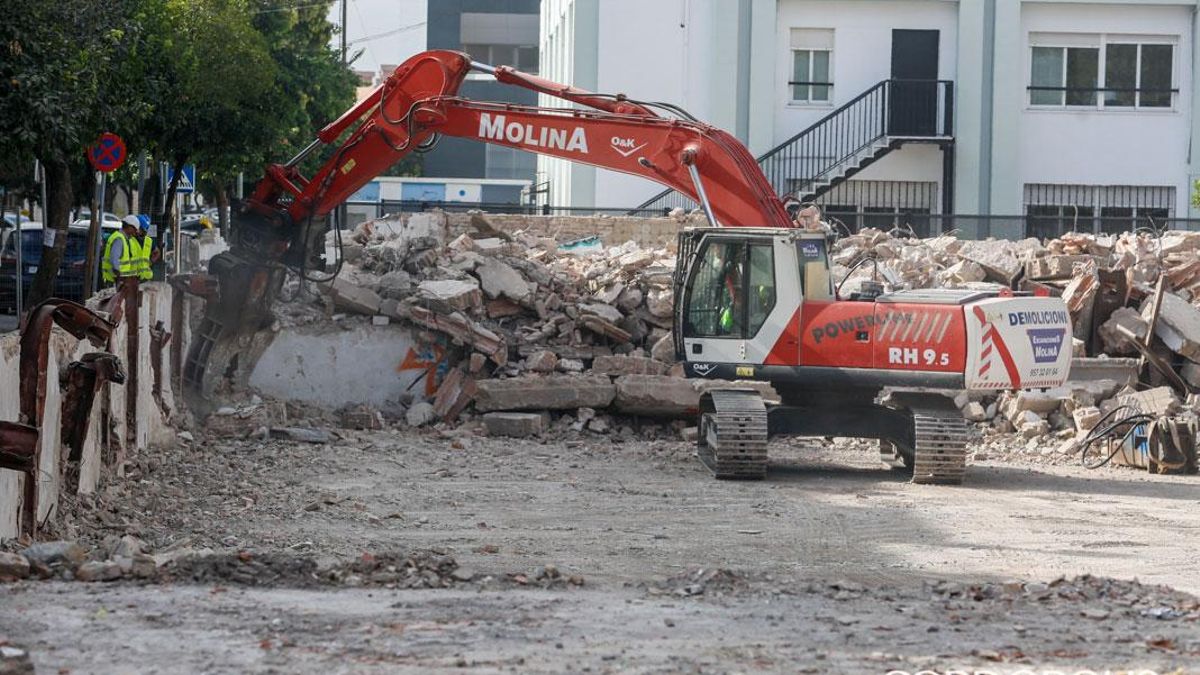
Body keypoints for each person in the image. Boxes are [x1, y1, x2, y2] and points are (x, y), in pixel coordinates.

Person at [101, 215, 140, 285]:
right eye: (135, 229)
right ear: (129, 227)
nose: (135, 232)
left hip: (117, 280)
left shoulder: (123, 239)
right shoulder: (119, 239)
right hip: (115, 281)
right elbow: (114, 260)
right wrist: (120, 280)